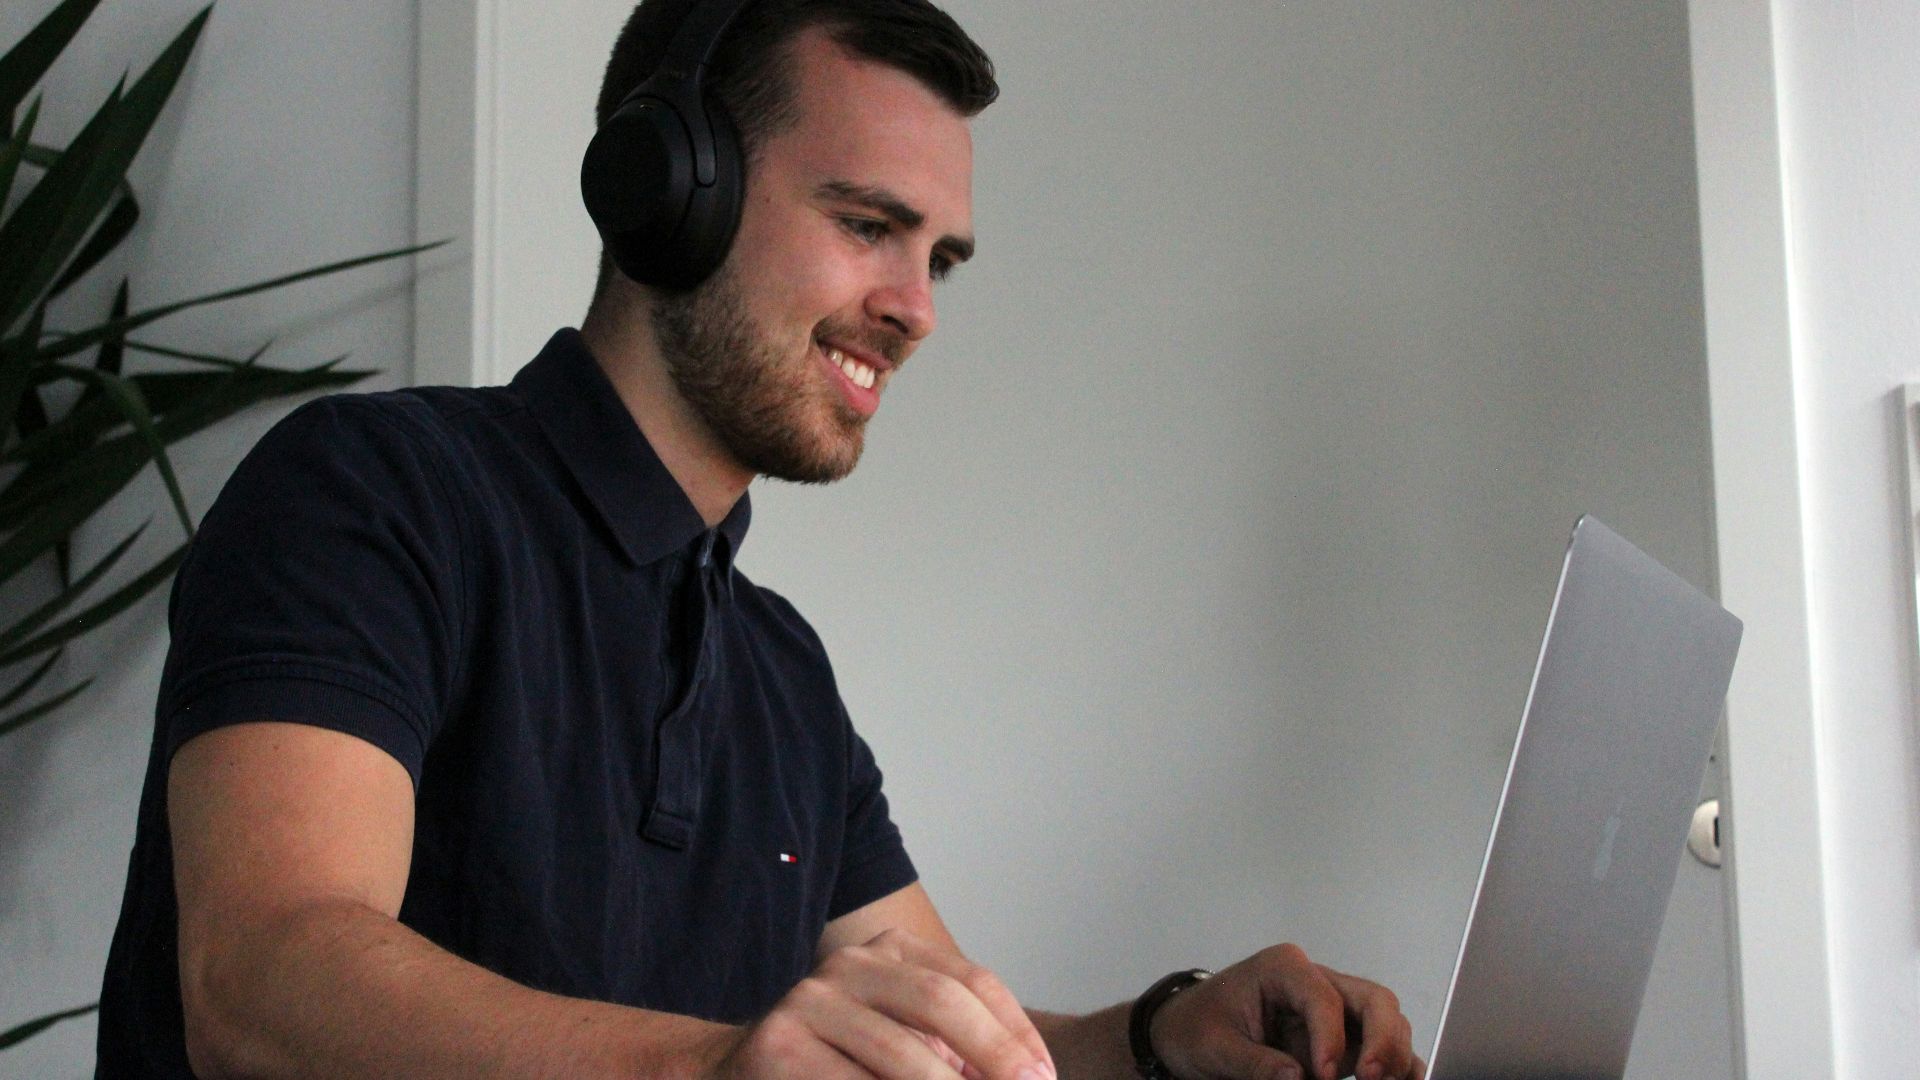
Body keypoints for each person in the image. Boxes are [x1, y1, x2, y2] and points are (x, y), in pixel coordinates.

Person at [96, 1, 1426, 1077]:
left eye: (939, 260)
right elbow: (260, 982)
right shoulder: (372, 494)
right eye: (867, 227)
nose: (914, 310)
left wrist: (1151, 1037)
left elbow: (950, 1044)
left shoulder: (781, 675)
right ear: (669, 191)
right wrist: (719, 1067)